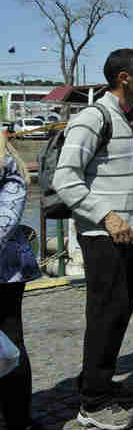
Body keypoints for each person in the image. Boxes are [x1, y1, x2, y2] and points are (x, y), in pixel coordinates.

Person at [54, 48, 133, 430]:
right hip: (103, 234)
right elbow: (65, 178)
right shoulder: (93, 118)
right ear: (124, 78)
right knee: (105, 313)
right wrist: (108, 215)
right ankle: (93, 403)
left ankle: (98, 382)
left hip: (128, 231)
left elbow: (122, 171)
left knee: (121, 308)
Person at [0, 128, 41, 430]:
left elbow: (6, 219)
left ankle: (18, 419)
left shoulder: (7, 163)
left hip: (6, 271)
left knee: (10, 343)